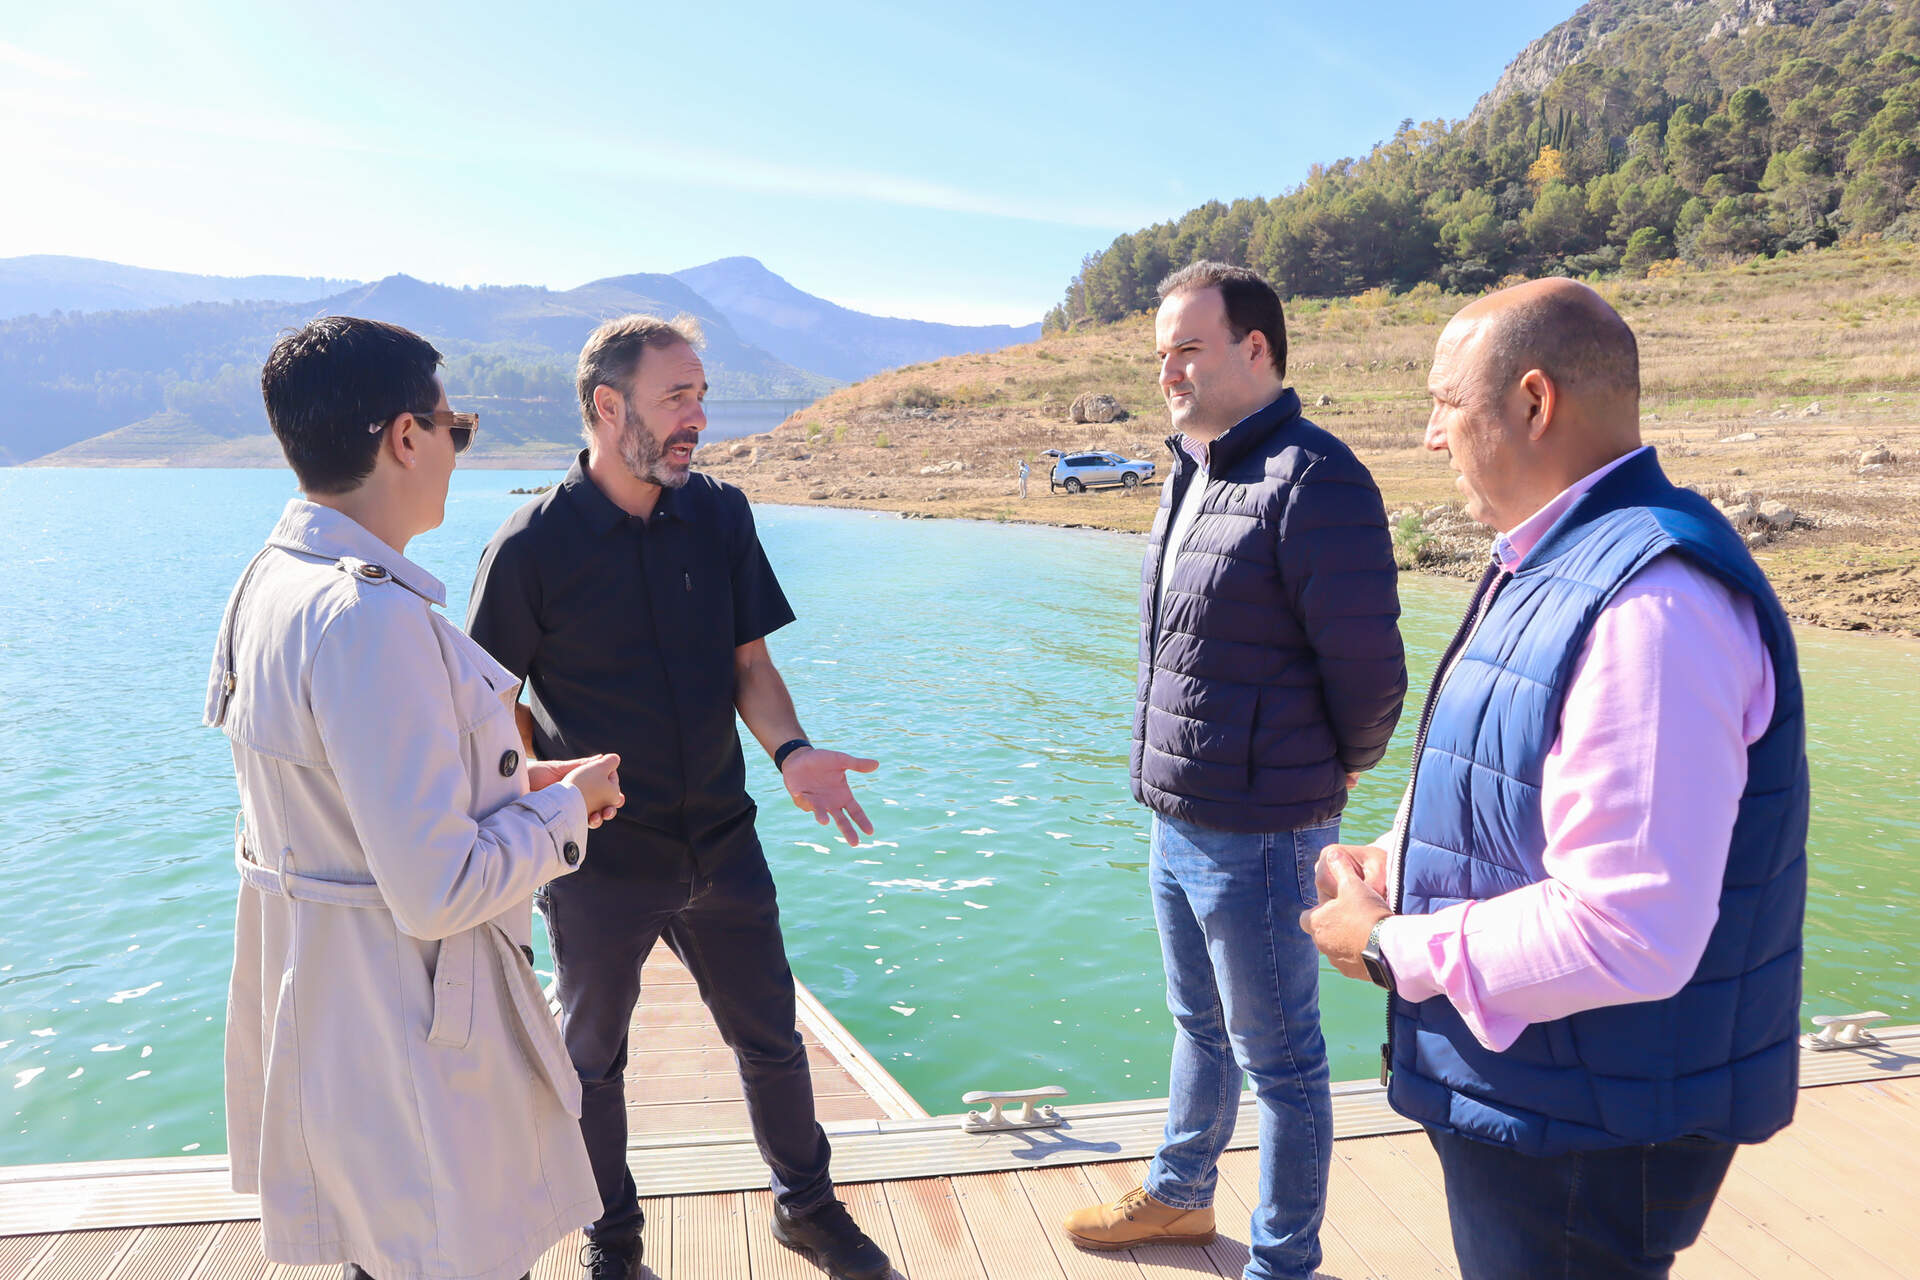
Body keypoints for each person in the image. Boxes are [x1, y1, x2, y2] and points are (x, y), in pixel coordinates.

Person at [1303, 278, 1808, 1280]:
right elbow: (1520, 764)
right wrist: (1401, 855)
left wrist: (1391, 947)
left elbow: (1630, 927)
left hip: (1588, 1133)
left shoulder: (1654, 602)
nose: (1430, 435)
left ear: (1534, 402)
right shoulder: (1557, 558)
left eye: (1447, 401)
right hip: (1556, 1098)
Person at [466, 313, 891, 1280]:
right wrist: (546, 791)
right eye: (678, 398)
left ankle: (808, 1211)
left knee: (773, 1043)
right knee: (593, 1065)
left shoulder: (722, 514)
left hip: (724, 842)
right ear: (607, 408)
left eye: (702, 394)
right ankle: (612, 1245)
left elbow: (750, 663)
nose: (700, 417)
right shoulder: (529, 546)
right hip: (600, 858)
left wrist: (791, 751)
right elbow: (488, 708)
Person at [205, 316, 625, 1280]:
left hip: (328, 1009)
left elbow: (345, 807)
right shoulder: (369, 619)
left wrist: (520, 784)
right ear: (404, 436)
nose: (454, 448)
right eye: (456, 426)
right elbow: (436, 889)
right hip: (410, 1028)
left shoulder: (269, 585)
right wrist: (566, 813)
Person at [1063, 262, 1406, 1280]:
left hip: (1263, 826)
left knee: (1286, 1063)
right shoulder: (1193, 468)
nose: (1169, 367)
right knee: (1196, 1024)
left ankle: (1281, 1260)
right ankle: (1178, 1194)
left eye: (1190, 347)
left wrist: (1314, 783)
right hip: (1178, 812)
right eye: (1162, 348)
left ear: (1256, 349)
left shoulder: (1315, 478)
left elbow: (1372, 676)